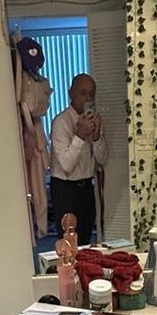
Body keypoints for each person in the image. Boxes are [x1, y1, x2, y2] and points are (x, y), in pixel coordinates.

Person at [49, 73, 107, 246]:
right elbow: (67, 165)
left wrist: (96, 137)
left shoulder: (94, 119)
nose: (88, 98)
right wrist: (80, 134)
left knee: (86, 239)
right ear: (70, 94)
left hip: (87, 189)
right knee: (69, 243)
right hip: (65, 190)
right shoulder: (60, 123)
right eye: (83, 93)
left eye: (91, 93)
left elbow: (102, 159)